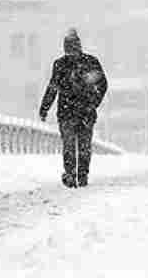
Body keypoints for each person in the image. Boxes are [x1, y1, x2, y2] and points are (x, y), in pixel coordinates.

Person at [39, 28, 109, 188]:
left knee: (71, 145)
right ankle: (79, 175)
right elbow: (102, 84)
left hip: (70, 112)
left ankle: (74, 174)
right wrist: (93, 102)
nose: (70, 52)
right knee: (81, 145)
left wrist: (45, 108)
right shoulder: (89, 62)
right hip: (83, 112)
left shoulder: (62, 65)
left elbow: (53, 88)